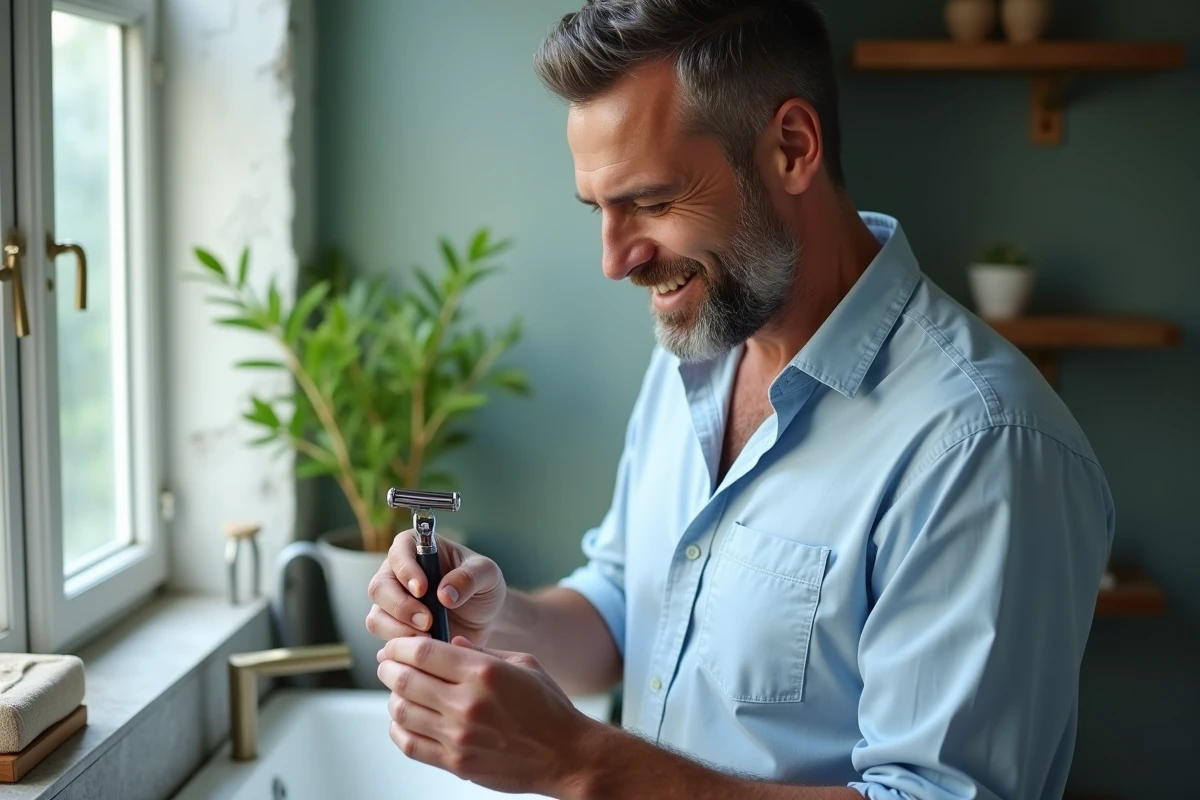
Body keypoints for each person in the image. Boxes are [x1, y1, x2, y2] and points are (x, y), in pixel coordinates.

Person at [365, 1, 1114, 797]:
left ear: (791, 148)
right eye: (600, 208)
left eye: (651, 202)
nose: (615, 260)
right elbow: (628, 607)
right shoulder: (696, 348)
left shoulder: (984, 447)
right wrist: (495, 613)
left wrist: (579, 762)